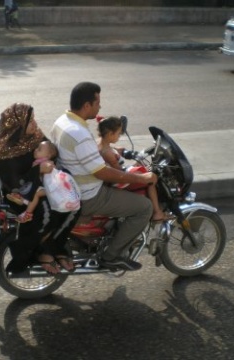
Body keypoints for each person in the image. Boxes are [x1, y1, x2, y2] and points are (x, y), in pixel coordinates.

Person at [51, 82, 157, 271]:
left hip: (71, 185)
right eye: (97, 102)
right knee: (144, 208)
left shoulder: (62, 121)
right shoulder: (79, 133)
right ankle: (111, 256)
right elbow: (101, 172)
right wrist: (142, 179)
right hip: (89, 194)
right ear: (86, 106)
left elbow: (88, 155)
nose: (100, 106)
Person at [0, 103, 79, 274]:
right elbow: (15, 184)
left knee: (74, 204)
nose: (35, 123)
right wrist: (37, 170)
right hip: (19, 195)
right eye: (30, 121)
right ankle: (23, 255)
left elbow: (51, 152)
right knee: (45, 213)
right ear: (18, 126)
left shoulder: (34, 136)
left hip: (42, 185)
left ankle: (55, 247)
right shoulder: (6, 152)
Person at [97, 116, 174, 222]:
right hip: (116, 179)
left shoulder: (102, 145)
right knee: (151, 177)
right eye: (118, 134)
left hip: (116, 175)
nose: (119, 136)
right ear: (110, 134)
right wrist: (136, 169)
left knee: (141, 168)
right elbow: (119, 172)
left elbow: (117, 150)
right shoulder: (108, 153)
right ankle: (157, 212)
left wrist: (128, 153)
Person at [6, 140, 58, 223]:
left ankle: (28, 214)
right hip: (43, 185)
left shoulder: (47, 163)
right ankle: (22, 198)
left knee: (36, 193)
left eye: (39, 149)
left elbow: (52, 171)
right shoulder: (38, 162)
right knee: (31, 187)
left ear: (47, 156)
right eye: (37, 148)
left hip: (51, 188)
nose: (36, 150)